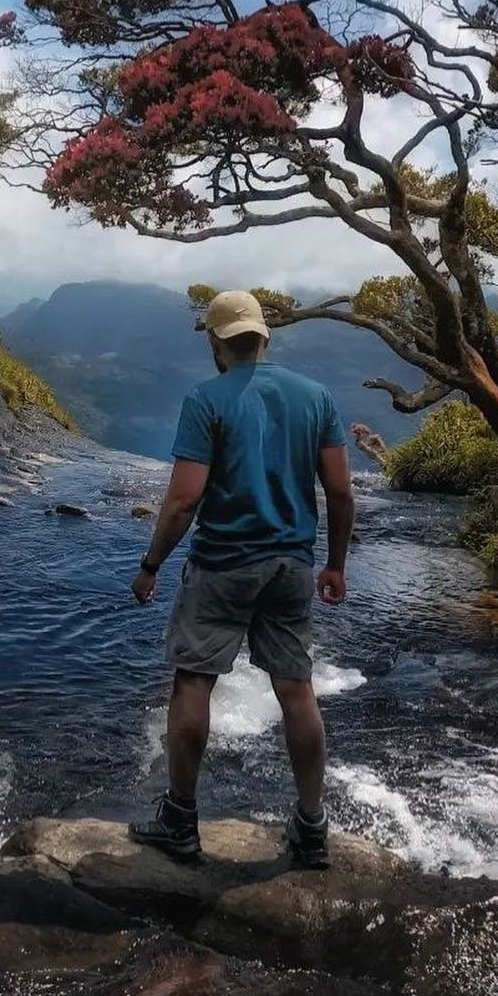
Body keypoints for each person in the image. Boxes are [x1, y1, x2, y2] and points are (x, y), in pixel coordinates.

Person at [128, 289, 355, 869]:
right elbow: (339, 490)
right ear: (264, 335)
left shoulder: (206, 399)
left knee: (193, 684)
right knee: (296, 691)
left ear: (214, 341)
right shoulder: (316, 398)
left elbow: (182, 501)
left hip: (223, 565)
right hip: (291, 566)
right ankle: (310, 828)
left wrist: (151, 565)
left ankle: (180, 821)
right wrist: (335, 564)